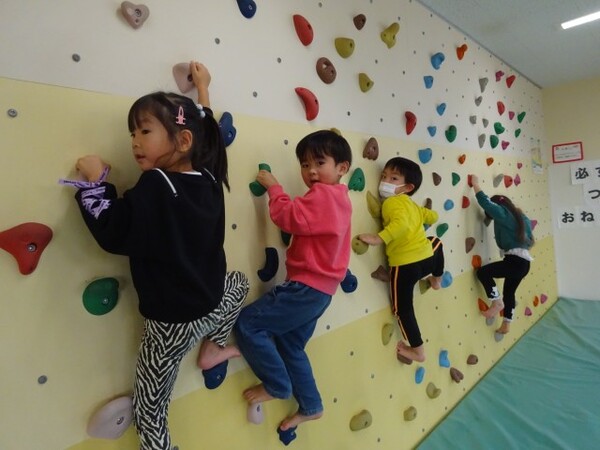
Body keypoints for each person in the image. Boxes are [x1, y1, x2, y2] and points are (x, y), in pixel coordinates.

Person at [70, 62, 249, 450]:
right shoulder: (208, 177)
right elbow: (209, 137)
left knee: (150, 409)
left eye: (145, 131)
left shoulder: (156, 184)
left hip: (170, 325)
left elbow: (116, 230)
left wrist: (95, 181)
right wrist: (203, 89)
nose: (135, 142)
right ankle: (215, 344)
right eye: (132, 133)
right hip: (211, 301)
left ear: (183, 141)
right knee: (240, 282)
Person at [234, 130, 353, 439]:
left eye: (319, 163)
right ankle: (311, 405)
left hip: (305, 287)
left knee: (248, 324)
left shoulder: (323, 195)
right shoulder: (341, 199)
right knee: (291, 346)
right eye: (304, 164)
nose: (311, 171)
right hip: (322, 292)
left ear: (342, 167)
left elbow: (288, 217)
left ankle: (277, 385)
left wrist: (274, 189)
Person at [358, 157, 444, 363]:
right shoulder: (412, 205)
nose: (385, 181)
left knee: (402, 309)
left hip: (405, 266)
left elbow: (402, 225)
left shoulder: (391, 203)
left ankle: (418, 351)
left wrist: (379, 238)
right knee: (436, 242)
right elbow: (433, 216)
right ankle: (436, 278)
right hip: (427, 260)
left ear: (407, 187)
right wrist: (428, 216)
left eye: (393, 178)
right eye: (383, 176)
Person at [470, 174, 534, 334]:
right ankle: (506, 324)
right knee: (509, 293)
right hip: (524, 264)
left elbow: (486, 202)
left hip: (515, 262)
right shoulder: (522, 218)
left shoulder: (504, 214)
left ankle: (496, 302)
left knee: (483, 273)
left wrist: (475, 184)